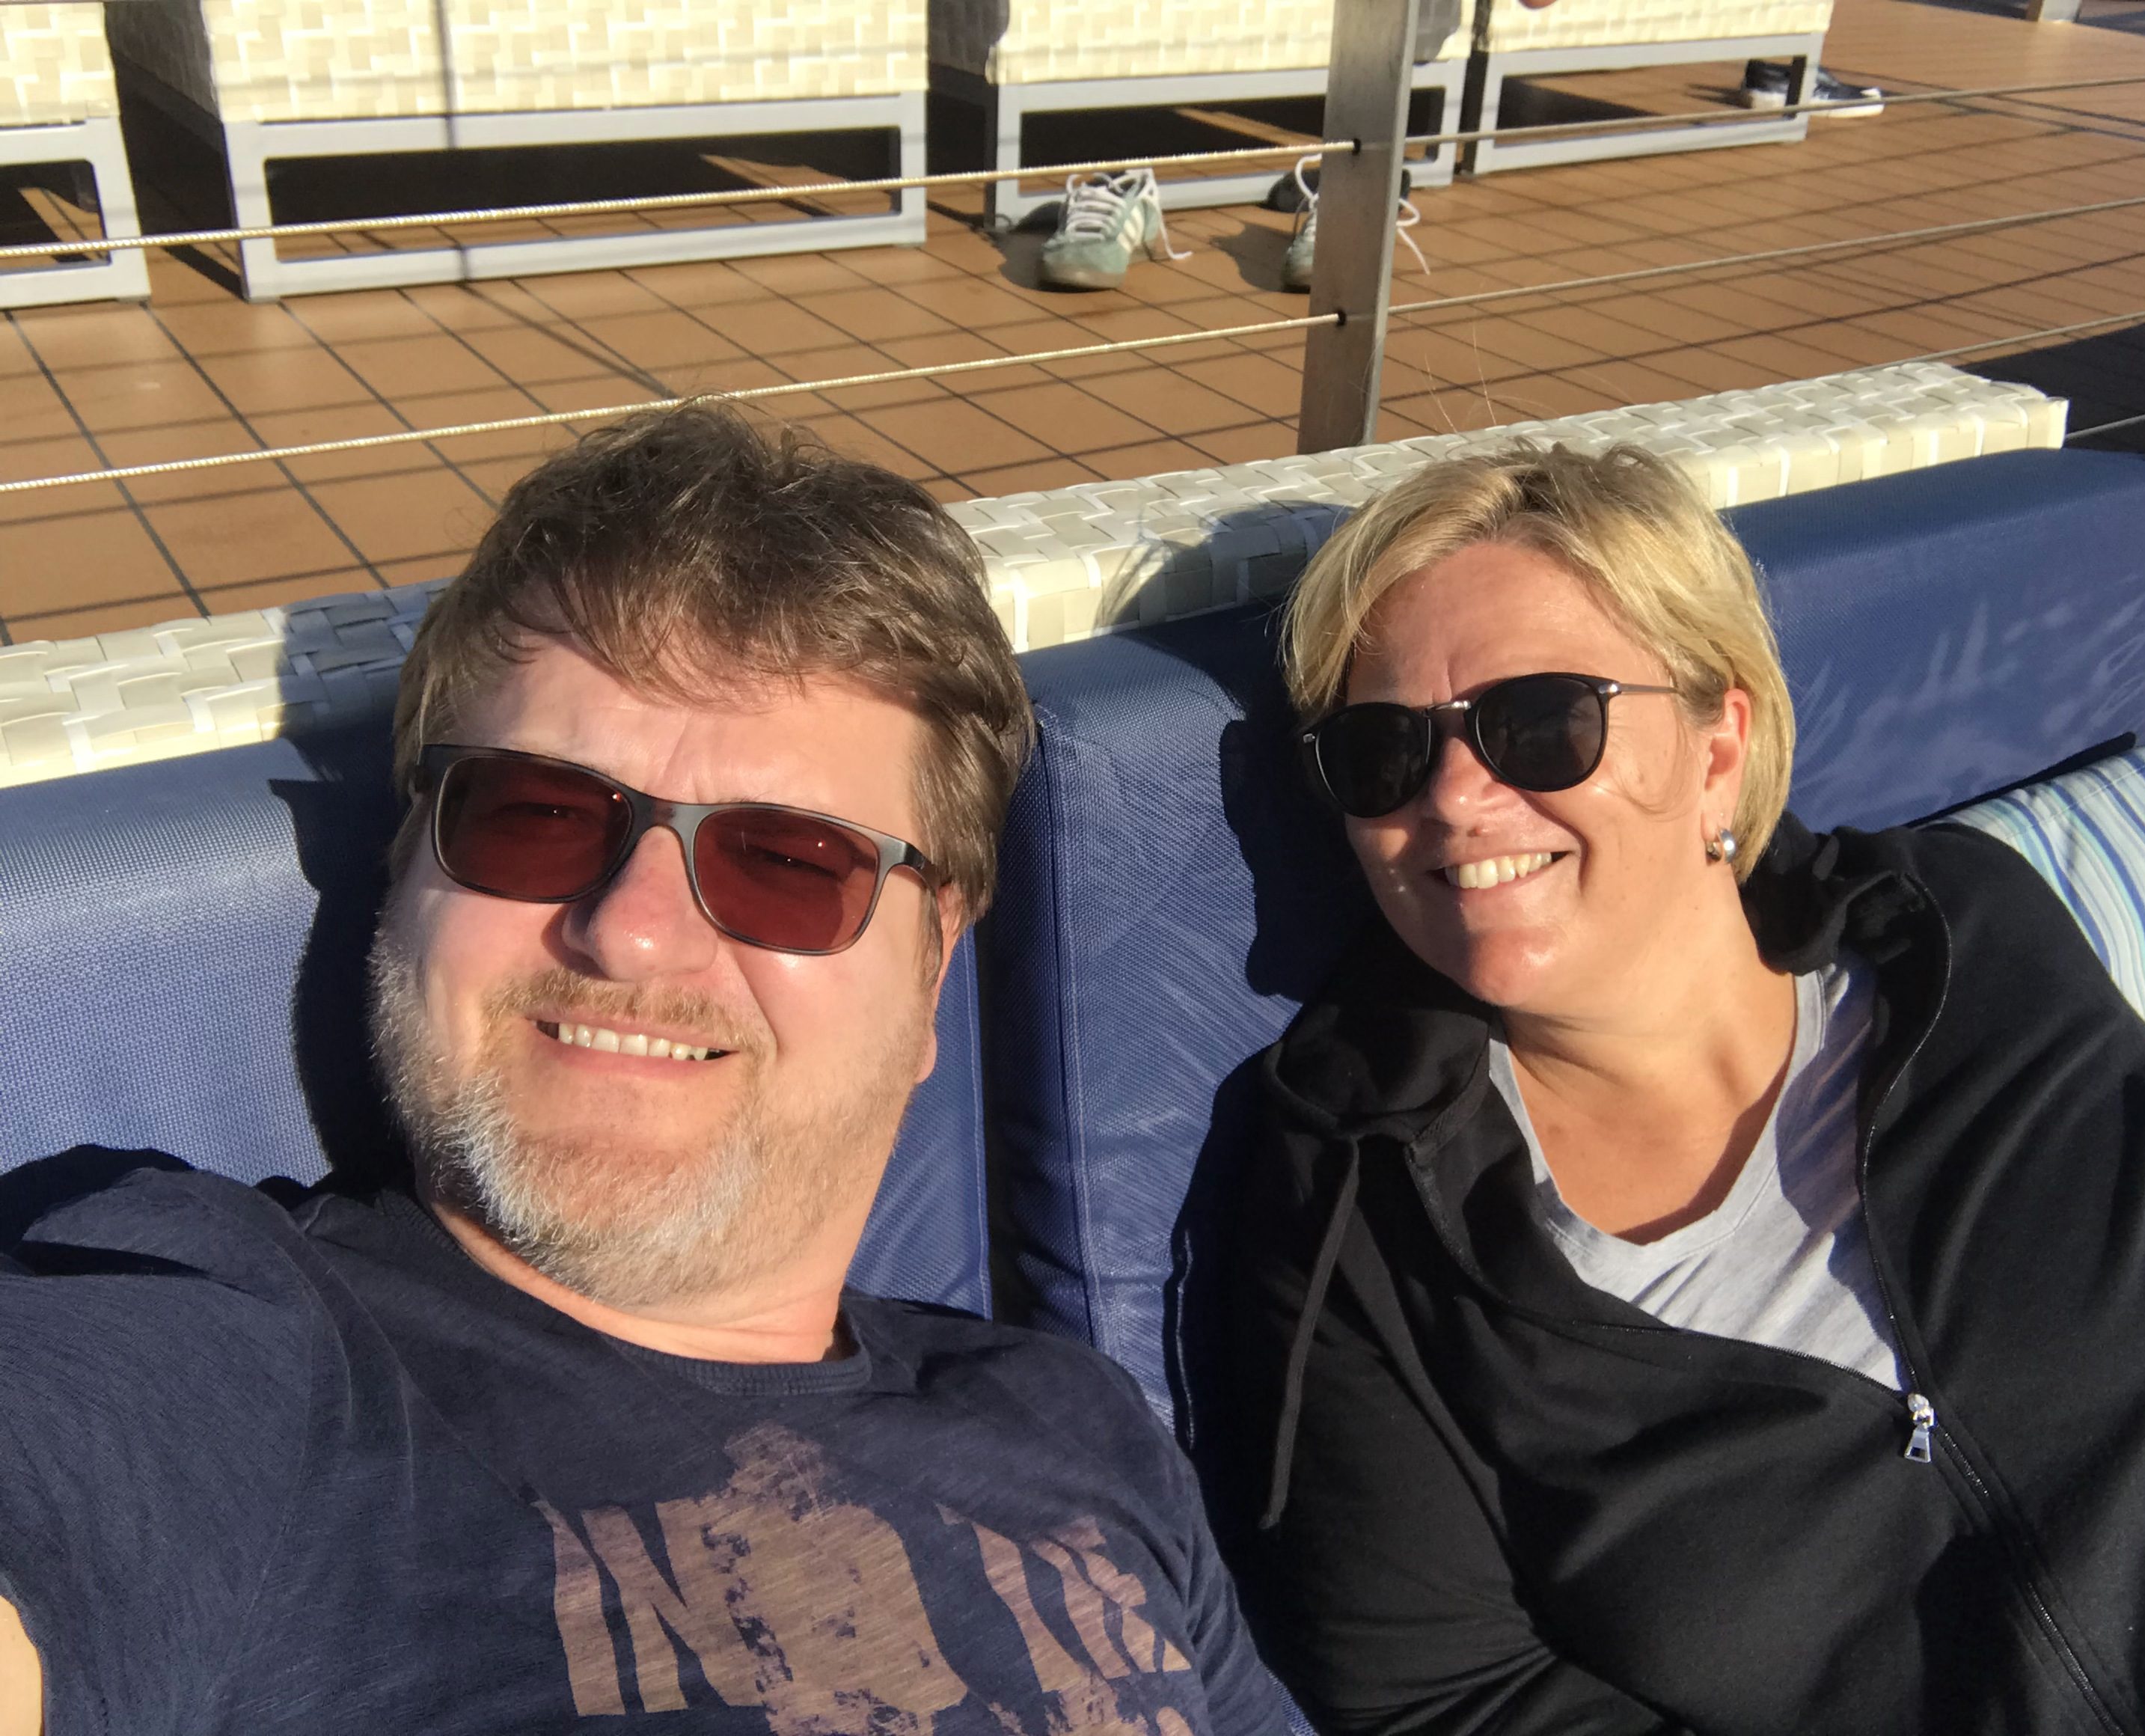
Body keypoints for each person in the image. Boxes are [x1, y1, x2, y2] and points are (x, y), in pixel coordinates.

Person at [0, 405, 1282, 1736]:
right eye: (538, 815)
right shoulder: (239, 1348)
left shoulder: (1079, 1427)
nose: (633, 932)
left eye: (786, 861)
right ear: (404, 871)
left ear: (929, 973)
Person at [1225, 441, 2145, 1735]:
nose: (1455, 797)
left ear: (1718, 750)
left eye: (1541, 723)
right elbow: (1449, 1699)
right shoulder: (1359, 1217)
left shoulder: (1958, 939)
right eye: (1382, 752)